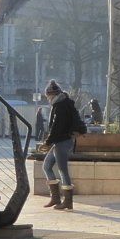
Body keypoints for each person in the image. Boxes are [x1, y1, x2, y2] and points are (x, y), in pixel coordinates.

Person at [41, 81, 86, 210]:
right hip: (61, 141)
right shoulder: (64, 103)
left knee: (62, 170)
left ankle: (67, 201)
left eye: (48, 96)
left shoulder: (60, 106)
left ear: (53, 94)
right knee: (47, 166)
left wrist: (48, 142)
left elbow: (57, 127)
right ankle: (55, 197)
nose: (48, 99)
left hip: (62, 141)